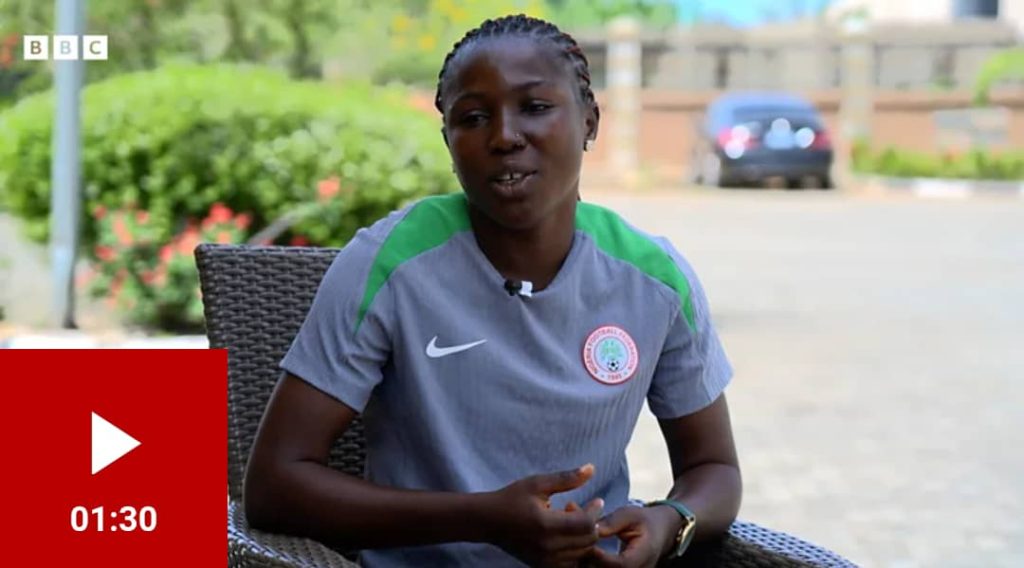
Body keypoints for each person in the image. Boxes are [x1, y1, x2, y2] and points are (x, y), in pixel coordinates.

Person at [243, 14, 740, 568]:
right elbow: (274, 486)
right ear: (450, 142)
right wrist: (482, 518)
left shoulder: (655, 279)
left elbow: (714, 470)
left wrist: (670, 521)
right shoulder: (390, 264)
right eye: (473, 118)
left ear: (589, 122)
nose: (504, 136)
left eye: (534, 107)